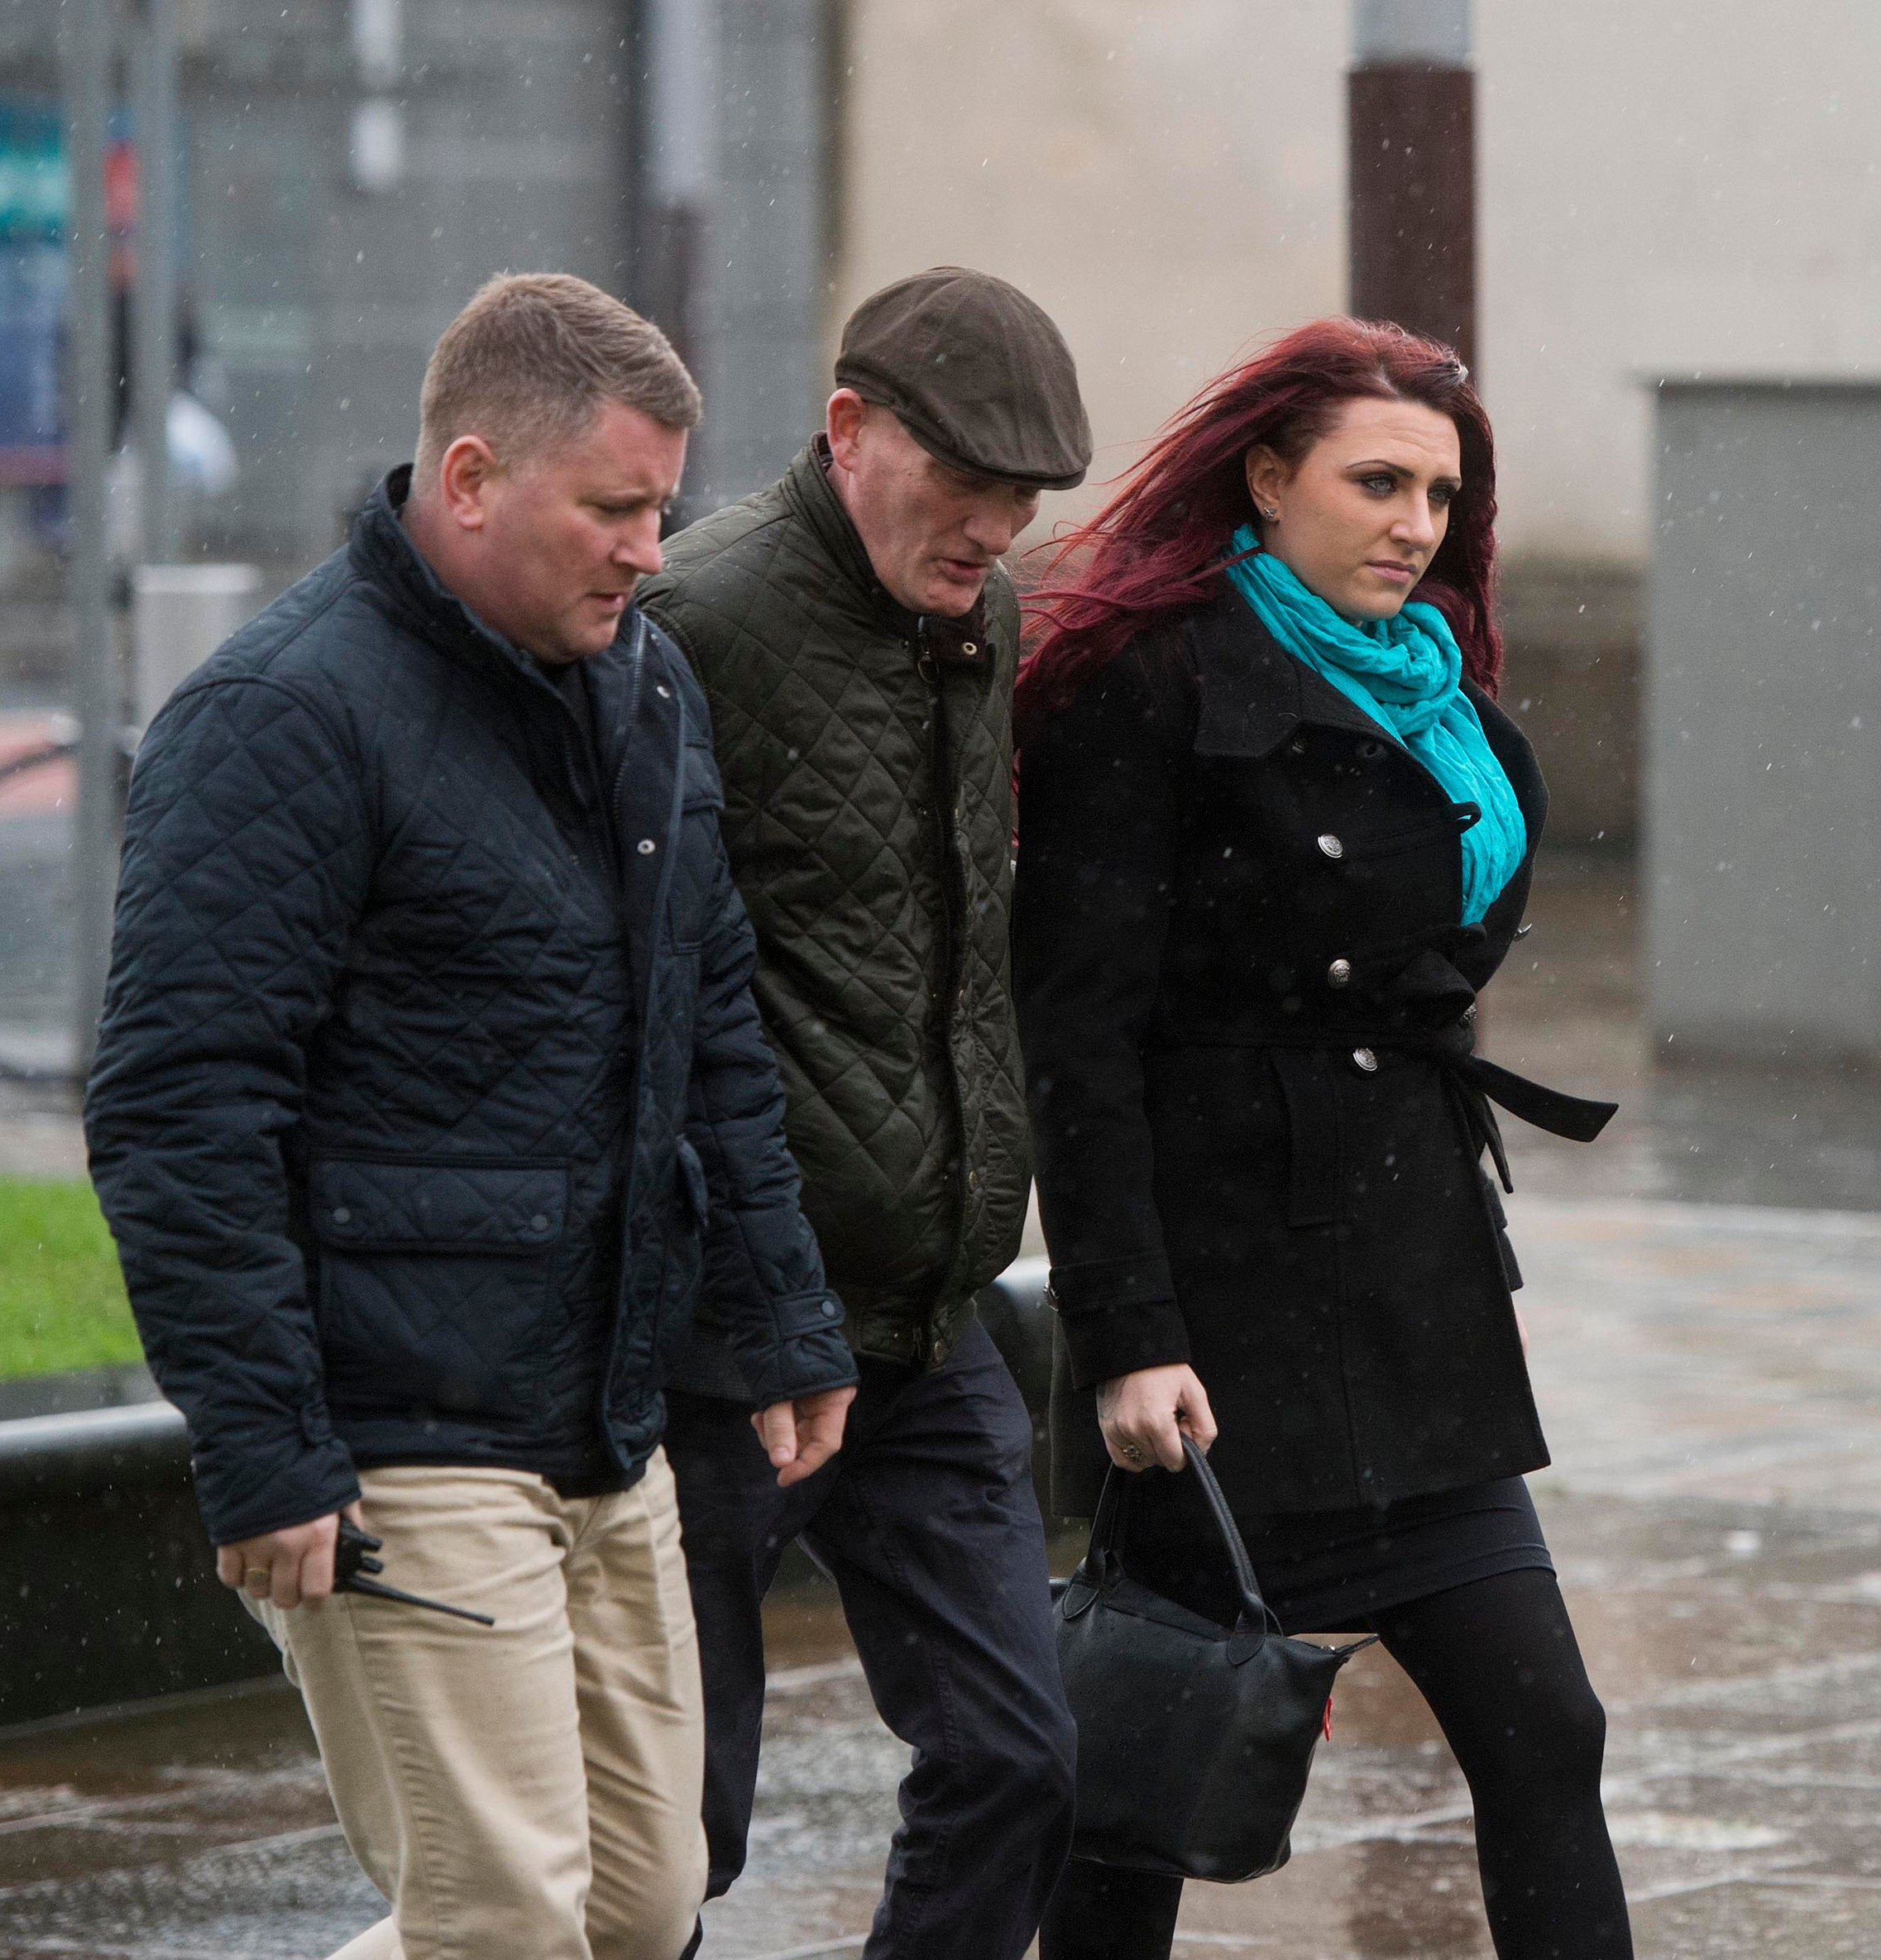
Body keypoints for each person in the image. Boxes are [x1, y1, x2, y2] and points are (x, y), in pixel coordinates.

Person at [84, 272, 861, 1960]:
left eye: (661, 507)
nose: (650, 549)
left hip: (605, 1414)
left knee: (643, 1911)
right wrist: (263, 1442)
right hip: (393, 1431)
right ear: (469, 477)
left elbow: (711, 1024)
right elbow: (176, 1106)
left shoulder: (642, 690)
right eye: (613, 508)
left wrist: (788, 1317)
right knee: (506, 1915)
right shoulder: (278, 715)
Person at [1012, 318, 1634, 1959]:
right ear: (1267, 479)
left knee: (1545, 1733)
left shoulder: (1448, 709)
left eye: (1440, 491)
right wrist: (1128, 1333)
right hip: (1220, 1316)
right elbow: (1081, 1038)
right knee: (1147, 1777)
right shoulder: (1145, 691)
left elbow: (1431, 969)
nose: (1415, 524)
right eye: (1375, 482)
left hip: (1414, 1299)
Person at [639, 267, 1090, 1958]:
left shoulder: (986, 613)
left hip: (927, 1319)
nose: (994, 525)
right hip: (725, 1332)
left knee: (1019, 1759)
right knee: (678, 1827)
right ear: (847, 433)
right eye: (963, 482)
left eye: (1022, 499)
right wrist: (744, 1303)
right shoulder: (691, 622)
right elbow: (643, 1000)